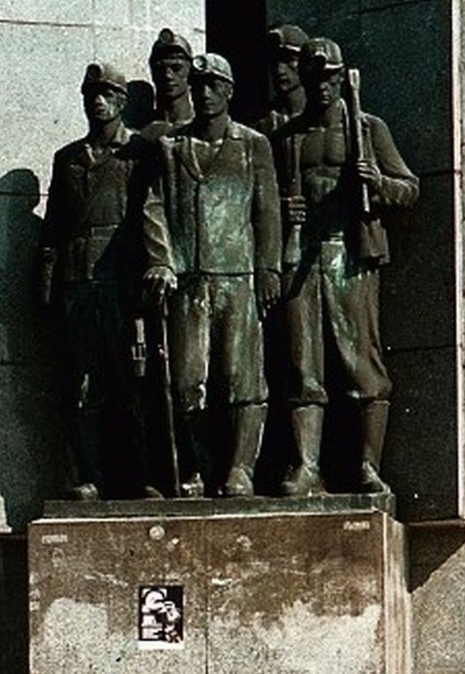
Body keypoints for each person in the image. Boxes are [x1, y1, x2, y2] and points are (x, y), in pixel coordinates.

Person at [271, 37, 419, 497]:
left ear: (340, 79)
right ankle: (306, 466)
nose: (321, 87)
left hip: (349, 256)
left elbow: (409, 188)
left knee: (361, 364)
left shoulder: (368, 128)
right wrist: (282, 209)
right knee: (302, 365)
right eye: (314, 78)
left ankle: (367, 466)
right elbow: (259, 205)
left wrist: (377, 186)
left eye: (329, 78)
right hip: (300, 259)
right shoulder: (287, 138)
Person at [142, 52, 281, 498]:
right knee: (187, 382)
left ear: (228, 91)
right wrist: (161, 259)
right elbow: (153, 206)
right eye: (198, 85)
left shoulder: (253, 144)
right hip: (189, 281)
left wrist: (269, 268)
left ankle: (240, 469)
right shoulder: (170, 147)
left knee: (242, 380)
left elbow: (267, 210)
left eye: (212, 85)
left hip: (239, 277)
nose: (203, 93)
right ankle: (199, 467)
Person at [39, 62, 154, 500]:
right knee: (81, 385)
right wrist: (47, 284)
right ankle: (89, 475)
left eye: (106, 94)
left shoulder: (138, 153)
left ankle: (136, 474)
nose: (97, 101)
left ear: (122, 102)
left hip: (121, 282)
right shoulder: (68, 159)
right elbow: (53, 230)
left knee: (130, 384)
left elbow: (149, 218)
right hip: (77, 282)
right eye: (91, 94)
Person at [256, 24, 308, 137]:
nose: (279, 69)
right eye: (274, 60)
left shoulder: (324, 117)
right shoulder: (262, 123)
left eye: (288, 60)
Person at [141, 28, 194, 139]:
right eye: (160, 69)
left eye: (176, 68)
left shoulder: (205, 127)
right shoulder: (140, 132)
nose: (168, 75)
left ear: (190, 72)